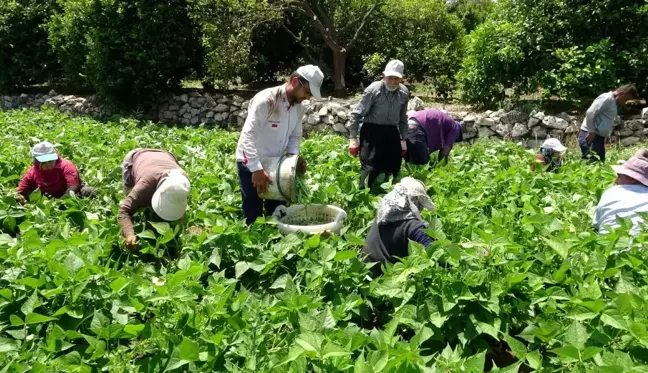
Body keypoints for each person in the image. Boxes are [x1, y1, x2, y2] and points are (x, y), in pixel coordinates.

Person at [235, 65, 323, 224]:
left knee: (278, 211)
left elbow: (295, 136)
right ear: (295, 81)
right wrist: (256, 169)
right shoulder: (267, 99)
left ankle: (276, 245)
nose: (308, 98)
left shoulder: (300, 106)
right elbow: (247, 136)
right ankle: (254, 244)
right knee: (253, 212)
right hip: (251, 161)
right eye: (307, 92)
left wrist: (293, 161)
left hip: (277, 164)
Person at [348, 60, 409, 189]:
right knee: (370, 168)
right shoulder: (374, 90)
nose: (392, 82)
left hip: (391, 131)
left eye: (396, 79)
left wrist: (403, 139)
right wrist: (353, 139)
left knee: (394, 166)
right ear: (383, 75)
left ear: (401, 79)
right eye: (390, 78)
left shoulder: (404, 93)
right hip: (372, 131)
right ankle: (363, 196)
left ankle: (388, 196)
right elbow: (356, 113)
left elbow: (403, 118)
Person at [119, 148, 191, 252]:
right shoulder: (144, 185)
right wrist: (129, 234)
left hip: (166, 155)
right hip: (135, 157)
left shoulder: (182, 182)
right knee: (131, 199)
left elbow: (180, 208)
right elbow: (123, 211)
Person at [362, 177, 436, 276]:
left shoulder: (384, 211)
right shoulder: (413, 226)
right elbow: (433, 252)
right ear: (416, 202)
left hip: (364, 268)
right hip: (385, 277)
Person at [16, 141, 96, 203]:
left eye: (50, 161)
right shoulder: (32, 172)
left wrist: (59, 203)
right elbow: (21, 190)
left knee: (90, 191)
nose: (48, 165)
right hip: (46, 197)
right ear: (36, 162)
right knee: (29, 193)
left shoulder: (66, 165)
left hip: (70, 194)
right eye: (44, 162)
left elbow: (73, 187)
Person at [594, 149, 648, 236]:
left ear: (632, 178)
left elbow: (596, 225)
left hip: (608, 248)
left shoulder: (610, 193)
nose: (615, 181)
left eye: (619, 176)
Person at [578, 84, 638, 162]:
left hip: (597, 136)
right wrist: (591, 132)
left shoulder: (612, 101)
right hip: (590, 136)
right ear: (621, 93)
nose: (625, 102)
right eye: (626, 99)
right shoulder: (606, 98)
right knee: (591, 164)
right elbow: (590, 112)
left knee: (598, 164)